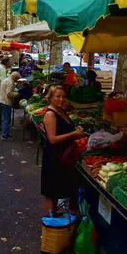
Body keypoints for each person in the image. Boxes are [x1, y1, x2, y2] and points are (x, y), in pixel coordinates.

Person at [41, 86, 85, 214]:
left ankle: (59, 222)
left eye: (63, 97)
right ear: (50, 98)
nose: (61, 99)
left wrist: (77, 130)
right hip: (54, 158)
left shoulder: (61, 111)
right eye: (58, 96)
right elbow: (52, 139)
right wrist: (73, 134)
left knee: (61, 189)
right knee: (51, 193)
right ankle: (50, 225)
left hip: (64, 158)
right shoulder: (50, 114)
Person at [0, 72, 21, 140]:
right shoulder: (10, 82)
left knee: (5, 118)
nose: (17, 80)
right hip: (6, 102)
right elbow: (9, 94)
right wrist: (18, 93)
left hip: (3, 100)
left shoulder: (6, 79)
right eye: (17, 79)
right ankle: (5, 135)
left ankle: (5, 133)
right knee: (7, 119)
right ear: (14, 77)